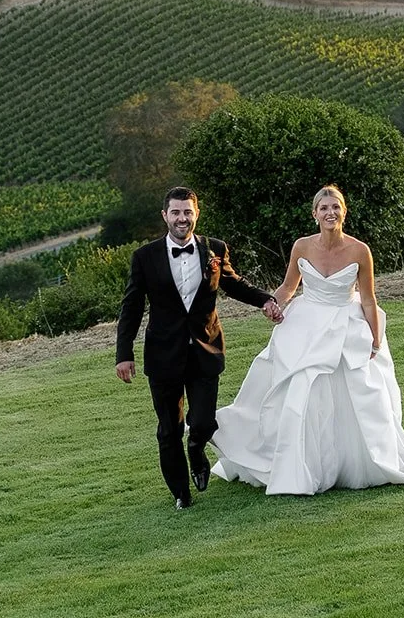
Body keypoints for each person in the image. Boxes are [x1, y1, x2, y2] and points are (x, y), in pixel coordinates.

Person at [210, 184, 404, 495]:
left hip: (345, 324)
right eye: (324, 208)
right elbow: (287, 287)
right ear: (315, 214)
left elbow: (368, 299)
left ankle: (357, 461)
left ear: (344, 212)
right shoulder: (302, 246)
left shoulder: (359, 250)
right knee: (301, 389)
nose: (330, 212)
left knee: (358, 392)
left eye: (335, 207)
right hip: (306, 323)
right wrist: (274, 304)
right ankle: (300, 463)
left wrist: (375, 340)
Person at [116, 186, 284, 509]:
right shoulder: (144, 258)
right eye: (176, 212)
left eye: (188, 212)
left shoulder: (215, 250)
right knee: (169, 429)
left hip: (205, 350)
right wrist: (124, 354)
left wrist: (266, 300)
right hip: (163, 356)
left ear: (197, 213)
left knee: (204, 421)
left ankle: (197, 447)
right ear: (165, 216)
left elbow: (235, 284)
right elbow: (132, 307)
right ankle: (181, 493)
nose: (182, 218)